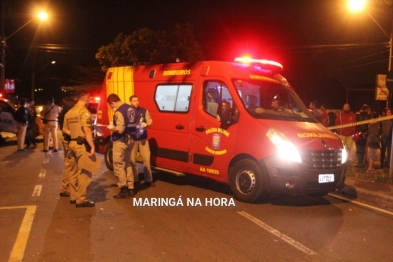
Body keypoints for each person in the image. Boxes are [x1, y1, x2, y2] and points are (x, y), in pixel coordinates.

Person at [62, 89, 95, 207]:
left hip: (72, 144)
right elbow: (87, 130)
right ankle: (81, 199)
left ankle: (73, 196)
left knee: (72, 171)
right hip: (82, 146)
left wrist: (74, 135)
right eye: (89, 99)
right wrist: (92, 146)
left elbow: (65, 129)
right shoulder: (84, 112)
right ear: (86, 99)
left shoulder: (69, 112)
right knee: (86, 171)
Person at [107, 94, 136, 198]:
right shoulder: (131, 108)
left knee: (119, 164)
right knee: (127, 163)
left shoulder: (119, 111)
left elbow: (120, 129)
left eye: (111, 106)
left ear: (112, 103)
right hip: (131, 140)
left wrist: (111, 127)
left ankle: (124, 189)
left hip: (121, 140)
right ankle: (131, 188)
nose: (111, 107)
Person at [129, 95, 155, 187]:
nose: (136, 102)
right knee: (132, 160)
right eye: (134, 101)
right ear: (130, 102)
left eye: (137, 100)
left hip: (143, 138)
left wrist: (146, 124)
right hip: (132, 139)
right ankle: (135, 179)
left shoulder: (144, 111)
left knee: (146, 159)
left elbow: (150, 121)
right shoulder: (128, 112)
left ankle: (148, 180)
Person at [58, 94, 77, 198]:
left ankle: (65, 187)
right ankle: (66, 188)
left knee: (68, 164)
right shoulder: (71, 112)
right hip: (70, 140)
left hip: (66, 139)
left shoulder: (64, 111)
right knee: (71, 165)